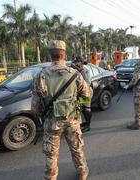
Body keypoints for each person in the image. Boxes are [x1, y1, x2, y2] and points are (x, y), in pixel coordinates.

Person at [31, 40, 90, 180]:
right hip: (72, 120)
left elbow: (35, 107)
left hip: (51, 122)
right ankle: (82, 173)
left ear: (50, 56)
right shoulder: (75, 74)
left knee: (51, 154)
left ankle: (51, 177)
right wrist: (76, 105)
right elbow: (87, 97)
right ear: (64, 55)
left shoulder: (41, 76)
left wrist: (42, 115)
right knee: (77, 149)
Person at [73, 56, 93, 132]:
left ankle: (88, 125)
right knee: (82, 109)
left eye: (77, 62)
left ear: (81, 62)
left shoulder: (86, 71)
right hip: (79, 93)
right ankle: (85, 122)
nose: (76, 63)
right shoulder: (75, 71)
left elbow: (87, 83)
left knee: (86, 109)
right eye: (75, 62)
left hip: (86, 93)